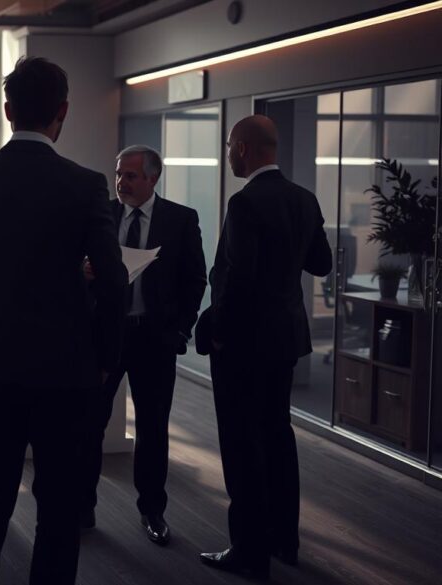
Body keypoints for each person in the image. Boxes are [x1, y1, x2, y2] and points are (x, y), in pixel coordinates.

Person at [0, 56, 127, 585]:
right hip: (66, 370)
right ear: (63, 111)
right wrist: (105, 358)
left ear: (8, 109)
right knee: (59, 506)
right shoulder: (85, 184)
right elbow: (113, 281)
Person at [196, 115, 332, 579]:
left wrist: (216, 330)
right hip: (285, 340)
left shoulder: (245, 202)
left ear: (244, 148)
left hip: (243, 344)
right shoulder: (304, 199)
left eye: (229, 146)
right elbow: (321, 263)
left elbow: (238, 278)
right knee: (277, 436)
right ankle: (284, 541)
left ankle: (249, 552)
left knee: (241, 445)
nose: (228, 154)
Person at [80, 145, 207, 542]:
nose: (121, 182)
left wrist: (180, 331)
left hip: (154, 338)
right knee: (90, 422)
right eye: (119, 174)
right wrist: (82, 271)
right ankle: (82, 507)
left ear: (153, 178)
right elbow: (73, 262)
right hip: (104, 335)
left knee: (153, 427)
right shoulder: (101, 214)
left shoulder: (180, 220)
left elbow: (195, 279)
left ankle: (152, 510)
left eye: (131, 176)